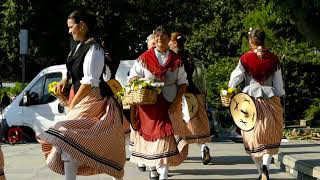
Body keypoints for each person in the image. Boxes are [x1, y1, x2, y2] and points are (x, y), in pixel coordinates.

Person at [37, 10, 125, 180]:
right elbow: (72, 70)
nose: (69, 31)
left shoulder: (94, 48)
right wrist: (64, 80)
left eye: (71, 27)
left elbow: (89, 82)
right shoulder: (78, 46)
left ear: (82, 25)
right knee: (68, 143)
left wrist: (72, 105)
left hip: (91, 97)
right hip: (80, 96)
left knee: (63, 131)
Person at [128, 26, 189, 180]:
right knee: (150, 141)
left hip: (169, 103)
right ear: (154, 39)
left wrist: (177, 101)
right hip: (148, 106)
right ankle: (153, 169)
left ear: (169, 40)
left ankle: (163, 175)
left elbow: (183, 83)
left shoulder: (176, 60)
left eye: (164, 37)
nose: (160, 40)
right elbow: (133, 78)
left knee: (166, 139)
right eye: (157, 37)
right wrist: (145, 82)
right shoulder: (143, 58)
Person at [227, 28, 285, 180]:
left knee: (252, 138)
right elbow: (278, 84)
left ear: (250, 41)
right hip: (270, 99)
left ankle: (260, 171)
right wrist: (279, 96)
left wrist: (230, 89)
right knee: (269, 135)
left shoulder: (245, 58)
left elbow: (236, 77)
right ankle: (266, 166)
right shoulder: (274, 59)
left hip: (250, 102)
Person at [168, 32, 212, 165]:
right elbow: (198, 76)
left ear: (174, 43)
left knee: (179, 125)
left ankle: (176, 154)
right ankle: (204, 147)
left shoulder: (172, 57)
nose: (168, 43)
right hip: (194, 92)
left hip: (179, 94)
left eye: (170, 41)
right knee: (198, 124)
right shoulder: (190, 56)